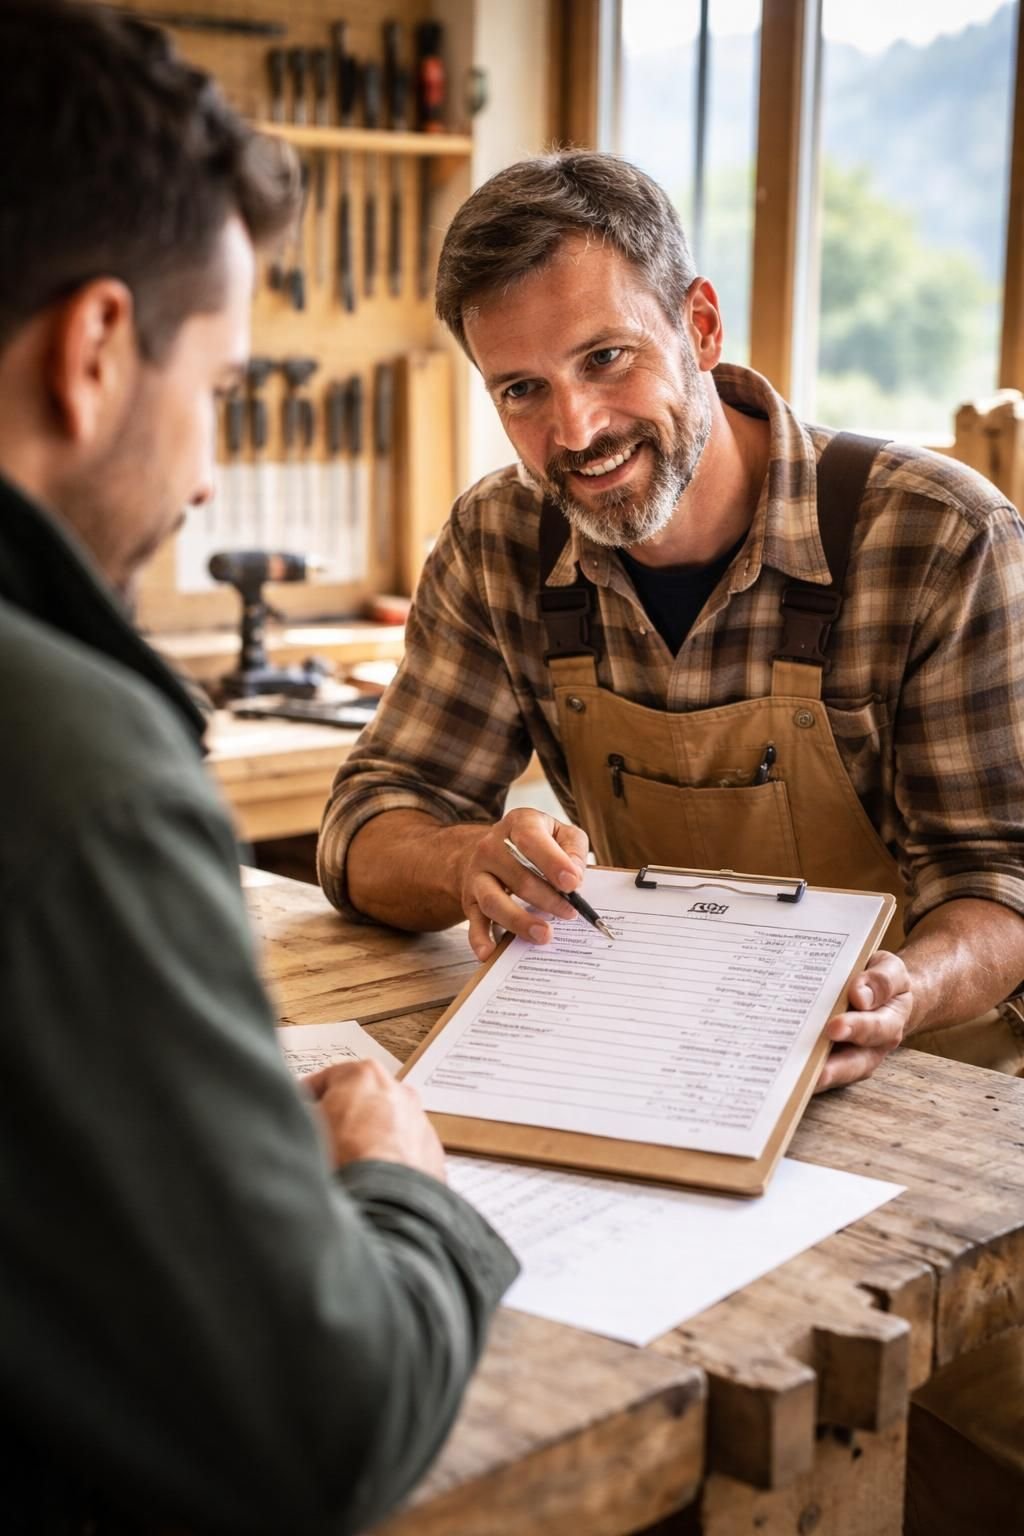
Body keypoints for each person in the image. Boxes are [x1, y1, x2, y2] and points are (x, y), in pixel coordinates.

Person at [0, 5, 516, 1533]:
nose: (213, 472)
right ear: (96, 350)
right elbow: (318, 1428)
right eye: (220, 386)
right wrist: (397, 1179)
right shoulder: (72, 767)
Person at [319, 149, 1024, 1092]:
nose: (576, 431)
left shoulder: (940, 536)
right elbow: (364, 825)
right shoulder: (500, 540)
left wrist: (909, 989)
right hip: (661, 1061)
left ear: (700, 326)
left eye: (605, 359)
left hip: (930, 1074)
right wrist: (465, 864)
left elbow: (1003, 877)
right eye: (522, 389)